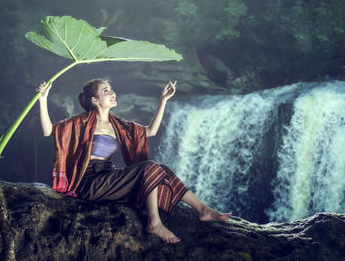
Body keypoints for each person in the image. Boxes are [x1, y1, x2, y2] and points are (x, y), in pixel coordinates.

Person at [36, 78, 232, 244]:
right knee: (150, 167)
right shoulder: (80, 122)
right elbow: (49, 131)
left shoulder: (118, 124)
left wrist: (163, 100)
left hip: (109, 176)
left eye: (111, 90)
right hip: (89, 182)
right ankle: (154, 223)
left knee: (160, 169)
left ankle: (203, 210)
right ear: (95, 100)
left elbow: (150, 131)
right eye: (106, 91)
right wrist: (43, 100)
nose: (113, 93)